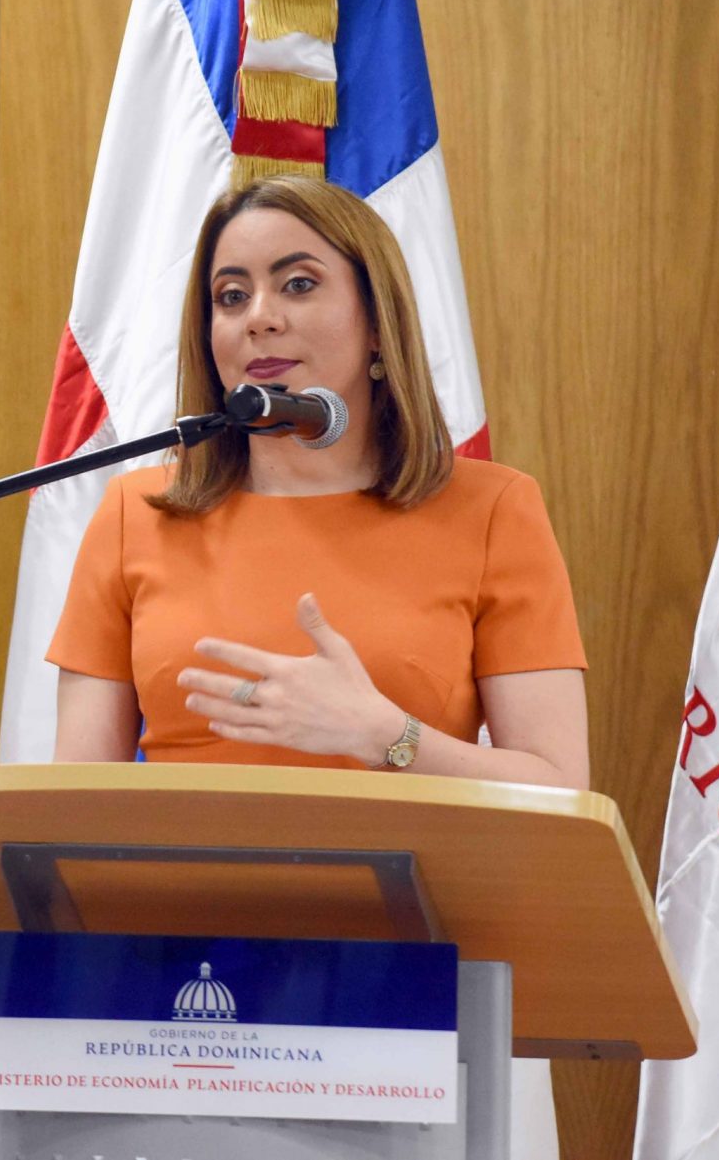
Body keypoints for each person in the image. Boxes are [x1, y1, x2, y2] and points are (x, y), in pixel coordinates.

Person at [47, 176, 588, 790]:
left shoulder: (492, 510)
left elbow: (558, 788)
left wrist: (383, 736)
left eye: (298, 284)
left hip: (403, 858)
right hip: (181, 858)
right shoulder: (135, 515)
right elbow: (75, 798)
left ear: (377, 322)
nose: (260, 318)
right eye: (231, 296)